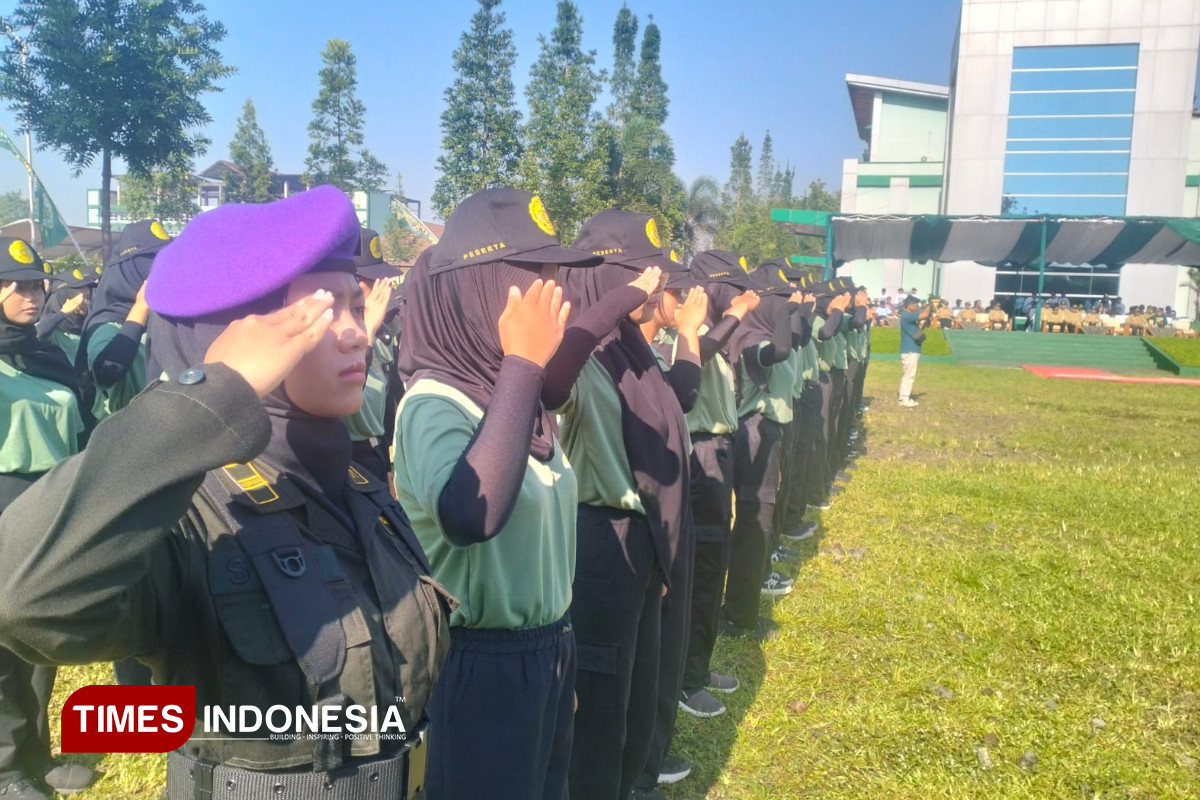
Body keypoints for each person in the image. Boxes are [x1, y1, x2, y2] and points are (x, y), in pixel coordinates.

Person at [0, 186, 451, 800]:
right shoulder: (192, 516)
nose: (356, 335)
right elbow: (25, 598)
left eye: (356, 307)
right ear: (234, 340)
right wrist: (207, 396)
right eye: (322, 312)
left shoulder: (352, 480)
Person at [394, 189, 626, 800]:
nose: (560, 299)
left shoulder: (514, 400)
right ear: (483, 291)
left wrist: (556, 658)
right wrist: (523, 363)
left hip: (543, 652)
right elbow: (472, 513)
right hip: (476, 664)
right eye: (540, 281)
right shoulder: (435, 402)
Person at [549, 210, 687, 800]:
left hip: (636, 539)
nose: (654, 290)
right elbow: (550, 389)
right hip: (596, 542)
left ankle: (631, 784)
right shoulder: (578, 349)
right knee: (599, 704)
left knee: (631, 686)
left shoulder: (626, 348)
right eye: (642, 277)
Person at [0, 238, 96, 799]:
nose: (29, 294)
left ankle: (36, 753)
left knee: (38, 634)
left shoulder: (40, 351)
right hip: (3, 497)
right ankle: (7, 768)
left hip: (50, 497)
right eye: (13, 284)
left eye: (35, 283)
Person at [669, 251, 760, 725]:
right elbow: (694, 356)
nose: (744, 296)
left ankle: (697, 667)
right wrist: (733, 316)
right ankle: (686, 678)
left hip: (718, 450)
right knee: (702, 567)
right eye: (735, 288)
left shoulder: (712, 334)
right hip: (700, 454)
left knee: (712, 565)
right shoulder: (688, 333)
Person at [78, 219, 172, 421]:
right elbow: (107, 370)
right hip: (125, 438)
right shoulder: (105, 325)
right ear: (130, 269)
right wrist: (140, 307)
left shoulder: (164, 318)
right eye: (155, 261)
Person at [341, 228, 399, 482]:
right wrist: (368, 330)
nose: (380, 287)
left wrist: (387, 468)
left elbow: (385, 405)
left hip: (375, 451)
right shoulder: (333, 336)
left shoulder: (382, 331)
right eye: (370, 280)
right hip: (347, 455)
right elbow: (344, 397)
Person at [35, 267, 98, 363]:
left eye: (87, 297)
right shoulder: (53, 328)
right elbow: (37, 332)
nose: (86, 302)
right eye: (79, 299)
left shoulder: (87, 322)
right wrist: (63, 313)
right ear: (65, 298)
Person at [898, 294, 929, 407]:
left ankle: (905, 397)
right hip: (909, 350)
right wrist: (928, 306)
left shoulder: (908, 317)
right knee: (909, 375)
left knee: (909, 374)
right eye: (916, 305)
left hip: (912, 349)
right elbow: (925, 314)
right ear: (910, 306)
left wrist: (925, 324)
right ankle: (904, 398)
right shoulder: (907, 315)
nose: (917, 307)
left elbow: (918, 331)